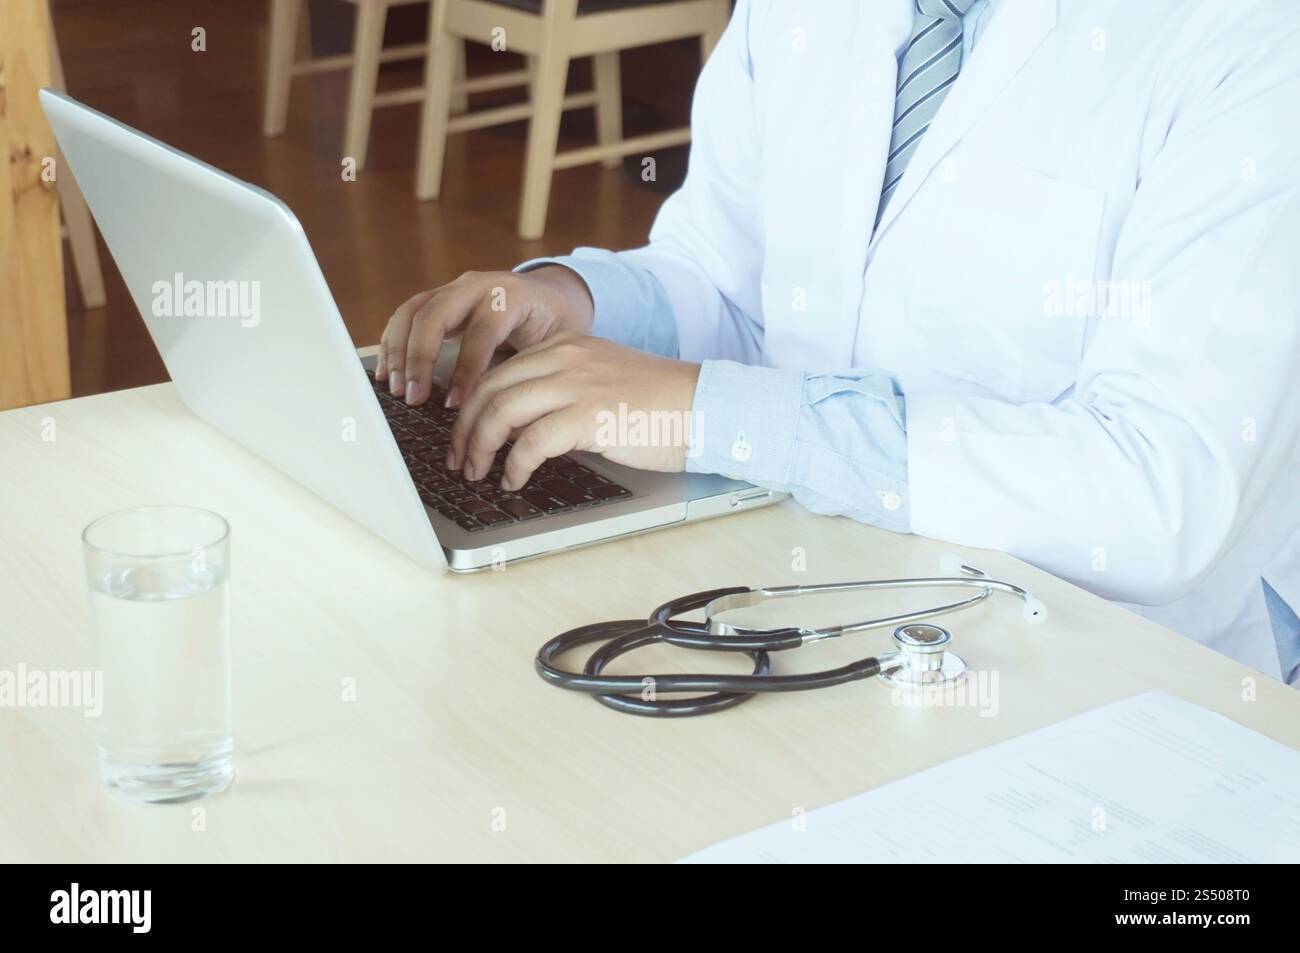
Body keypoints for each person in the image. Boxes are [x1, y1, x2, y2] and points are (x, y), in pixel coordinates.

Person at [376, 0, 1300, 683]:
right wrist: (573, 303)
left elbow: (1157, 490)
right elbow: (731, 279)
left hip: (1128, 666)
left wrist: (712, 412)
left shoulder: (1251, 38)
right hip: (823, 587)